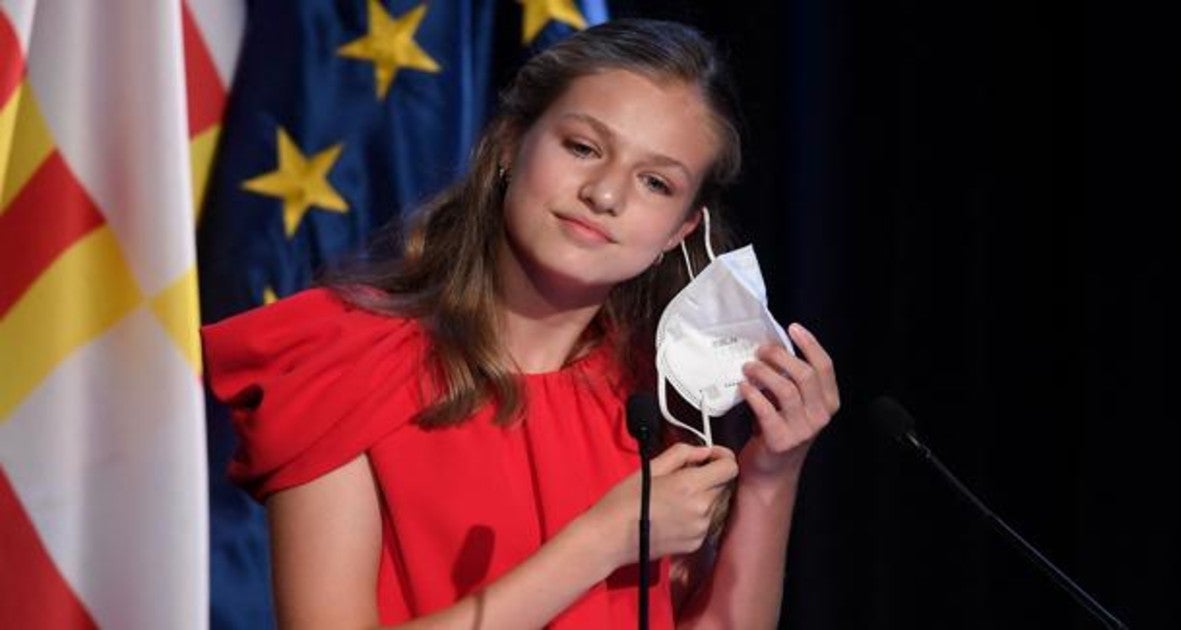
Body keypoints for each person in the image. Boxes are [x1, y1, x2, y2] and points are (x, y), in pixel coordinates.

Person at [202, 18, 839, 629]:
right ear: (510, 144)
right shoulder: (348, 357)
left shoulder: (660, 400)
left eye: (654, 182)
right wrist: (601, 542)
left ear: (681, 230)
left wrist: (770, 474)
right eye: (584, 147)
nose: (606, 194)